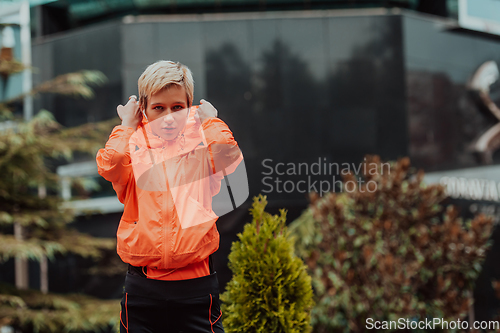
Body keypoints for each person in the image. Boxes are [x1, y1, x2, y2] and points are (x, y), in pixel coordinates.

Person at [96, 60, 242, 333]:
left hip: (196, 290)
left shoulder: (203, 147)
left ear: (190, 108)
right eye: (158, 108)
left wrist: (210, 121)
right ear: (144, 110)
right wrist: (127, 124)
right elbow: (110, 163)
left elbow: (229, 158)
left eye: (177, 107)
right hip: (143, 290)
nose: (169, 117)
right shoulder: (133, 149)